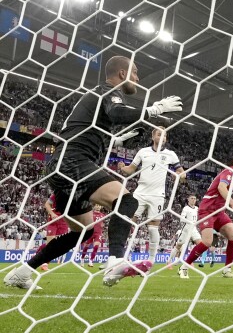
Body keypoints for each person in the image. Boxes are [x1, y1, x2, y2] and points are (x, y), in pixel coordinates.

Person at [4, 56, 183, 290]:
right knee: (126, 201)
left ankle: (21, 273)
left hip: (64, 165)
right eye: (136, 73)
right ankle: (115, 262)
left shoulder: (94, 97)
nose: (138, 79)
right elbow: (118, 112)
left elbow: (82, 130)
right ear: (122, 73)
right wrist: (154, 109)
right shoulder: (107, 91)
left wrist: (114, 139)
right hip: (73, 161)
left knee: (83, 232)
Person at [118, 127, 186, 264]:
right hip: (140, 192)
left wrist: (181, 176)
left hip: (157, 195)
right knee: (129, 222)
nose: (162, 137)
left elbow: (181, 173)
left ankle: (151, 260)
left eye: (165, 135)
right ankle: (124, 256)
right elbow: (131, 170)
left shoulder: (171, 154)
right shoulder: (143, 152)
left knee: (153, 227)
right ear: (153, 136)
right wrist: (122, 168)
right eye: (159, 134)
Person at [178, 153, 233, 279]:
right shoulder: (229, 172)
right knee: (207, 242)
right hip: (207, 210)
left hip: (219, 211)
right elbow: (222, 188)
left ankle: (227, 269)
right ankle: (184, 266)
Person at [167, 195, 201, 272]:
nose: (193, 200)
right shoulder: (185, 208)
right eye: (191, 198)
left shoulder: (196, 208)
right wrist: (190, 222)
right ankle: (169, 261)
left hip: (194, 229)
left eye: (195, 199)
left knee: (200, 244)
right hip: (186, 229)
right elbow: (182, 219)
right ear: (188, 199)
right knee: (178, 246)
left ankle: (190, 261)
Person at [39, 193, 70, 271]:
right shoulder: (57, 193)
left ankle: (38, 254)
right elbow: (47, 204)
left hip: (64, 221)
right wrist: (52, 214)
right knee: (51, 243)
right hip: (53, 220)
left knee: (58, 245)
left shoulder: (73, 195)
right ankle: (45, 263)